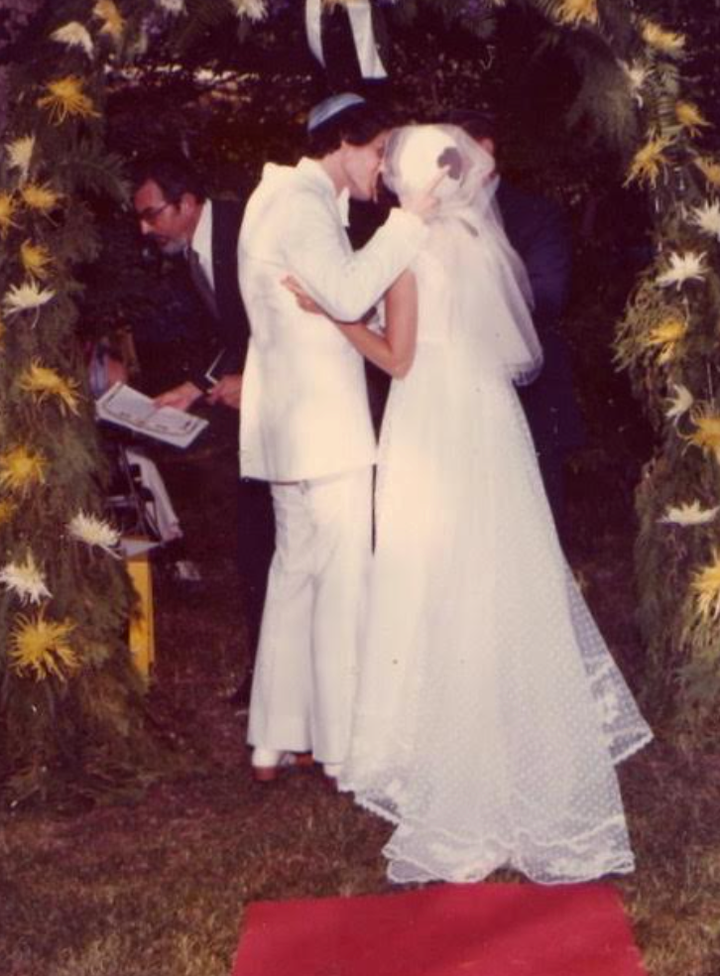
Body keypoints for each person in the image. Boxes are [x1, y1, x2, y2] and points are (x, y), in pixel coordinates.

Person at [289, 125, 652, 884]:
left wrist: (336, 316)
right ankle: (523, 788)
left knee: (436, 591)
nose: (383, 176)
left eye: (391, 167)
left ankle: (462, 806)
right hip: (488, 421)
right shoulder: (480, 245)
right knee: (498, 587)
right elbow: (499, 344)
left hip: (431, 425)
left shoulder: (410, 248)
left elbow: (399, 355)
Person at [239, 93, 439, 783]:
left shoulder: (280, 198)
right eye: (380, 150)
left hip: (291, 431)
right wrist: (409, 225)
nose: (384, 168)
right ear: (345, 142)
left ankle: (272, 740)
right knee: (341, 582)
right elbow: (351, 293)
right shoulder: (300, 204)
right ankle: (341, 747)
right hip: (322, 431)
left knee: (295, 577)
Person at [132, 155, 274, 705]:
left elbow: (285, 320)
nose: (144, 230)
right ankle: (267, 671)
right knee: (256, 539)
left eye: (152, 215)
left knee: (265, 538)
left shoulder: (246, 230)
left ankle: (273, 675)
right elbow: (237, 335)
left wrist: (253, 379)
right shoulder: (194, 250)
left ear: (187, 203)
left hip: (293, 404)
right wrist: (195, 385)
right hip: (260, 404)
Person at [447, 109, 585, 525]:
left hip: (529, 387)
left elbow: (548, 294)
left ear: (491, 158)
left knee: (536, 508)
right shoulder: (432, 220)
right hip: (456, 386)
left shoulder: (535, 215)